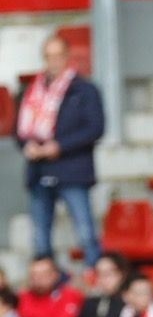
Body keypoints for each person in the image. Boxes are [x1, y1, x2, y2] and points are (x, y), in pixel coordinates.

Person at [18, 35, 104, 265]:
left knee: (85, 232)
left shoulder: (84, 89)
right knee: (40, 237)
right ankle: (46, 289)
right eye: (48, 56)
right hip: (39, 171)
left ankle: (95, 279)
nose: (53, 61)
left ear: (66, 57)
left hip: (72, 170)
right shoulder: (31, 92)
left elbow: (95, 128)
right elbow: (21, 130)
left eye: (57, 55)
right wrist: (29, 146)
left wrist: (60, 147)